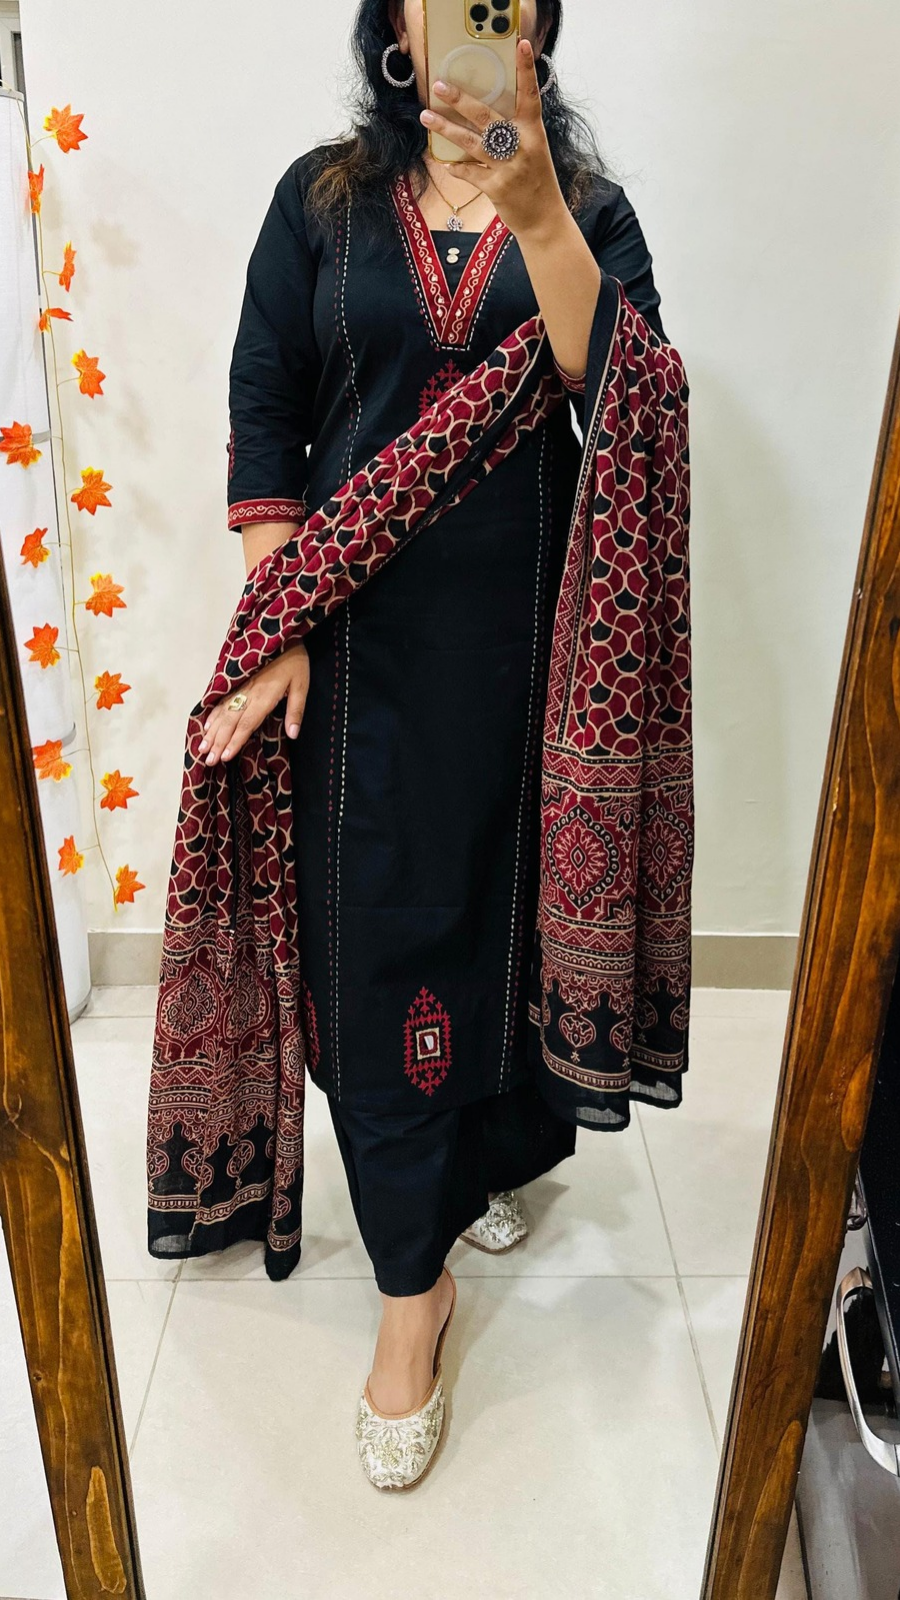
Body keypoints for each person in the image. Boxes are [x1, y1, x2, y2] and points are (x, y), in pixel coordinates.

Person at [167, 0, 677, 1490]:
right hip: (358, 664)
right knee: (376, 946)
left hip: (537, 664)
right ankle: (413, 1291)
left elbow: (631, 402)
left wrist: (537, 209)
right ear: (395, 25)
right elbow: (267, 404)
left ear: (538, 25)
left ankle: (487, 1162)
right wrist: (281, 618)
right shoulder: (322, 202)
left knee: (509, 925)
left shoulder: (586, 209)